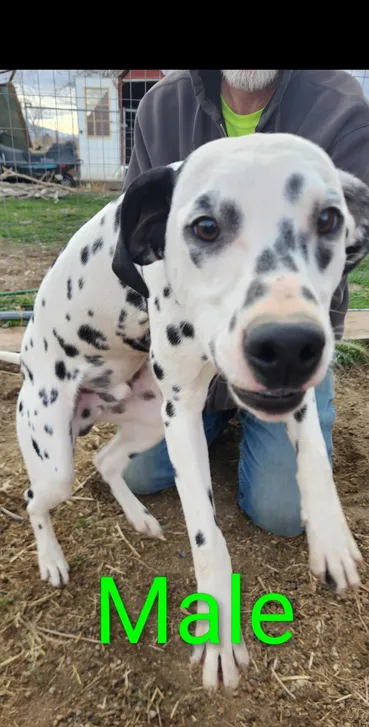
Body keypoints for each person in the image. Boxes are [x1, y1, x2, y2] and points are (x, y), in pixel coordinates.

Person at [122, 69, 369, 537]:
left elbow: (345, 253)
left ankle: (244, 403)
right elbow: (140, 249)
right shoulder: (159, 108)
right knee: (139, 472)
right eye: (209, 227)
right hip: (187, 343)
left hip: (284, 341)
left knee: (281, 513)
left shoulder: (344, 110)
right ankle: (212, 406)